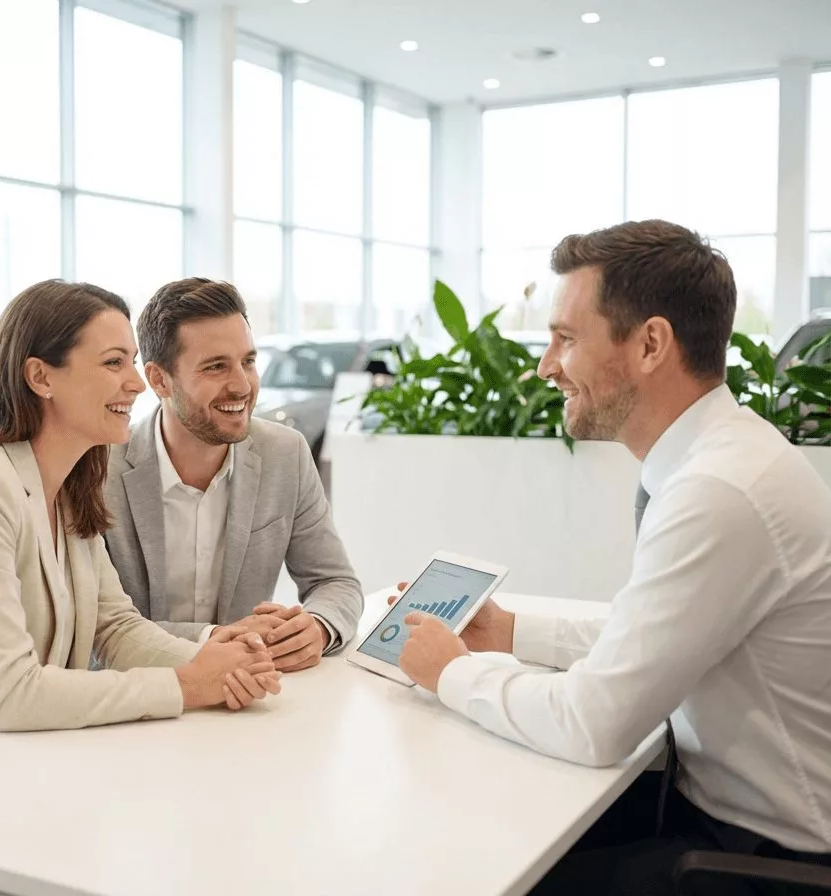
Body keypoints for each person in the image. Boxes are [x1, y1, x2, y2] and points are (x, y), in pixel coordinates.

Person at [393, 220, 831, 894]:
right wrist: (508, 631)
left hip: (768, 860)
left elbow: (592, 724)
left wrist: (452, 672)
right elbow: (654, 631)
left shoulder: (720, 491)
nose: (546, 366)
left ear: (651, 344)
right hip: (722, 817)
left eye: (566, 339)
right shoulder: (720, 458)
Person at [0, 281, 281, 769]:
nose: (136, 383)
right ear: (41, 376)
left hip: (0, 762)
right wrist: (187, 684)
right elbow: (10, 693)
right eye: (113, 363)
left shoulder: (68, 486)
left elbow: (116, 627)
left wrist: (215, 656)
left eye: (132, 361)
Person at [103, 278, 363, 674]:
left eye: (248, 362)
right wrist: (214, 638)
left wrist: (318, 627)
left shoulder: (284, 454)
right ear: (158, 380)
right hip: (140, 692)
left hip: (248, 694)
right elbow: (96, 627)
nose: (242, 386)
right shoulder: (100, 470)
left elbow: (335, 582)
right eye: (216, 367)